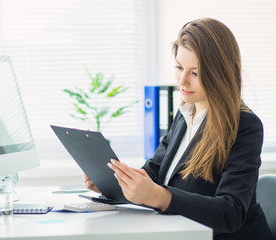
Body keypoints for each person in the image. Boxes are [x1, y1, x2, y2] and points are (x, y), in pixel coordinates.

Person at [84, 18, 272, 240]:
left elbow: (231, 212)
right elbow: (153, 173)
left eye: (195, 72)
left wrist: (160, 197)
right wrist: (115, 183)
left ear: (220, 74)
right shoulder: (184, 116)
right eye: (179, 67)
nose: (182, 81)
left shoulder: (245, 126)